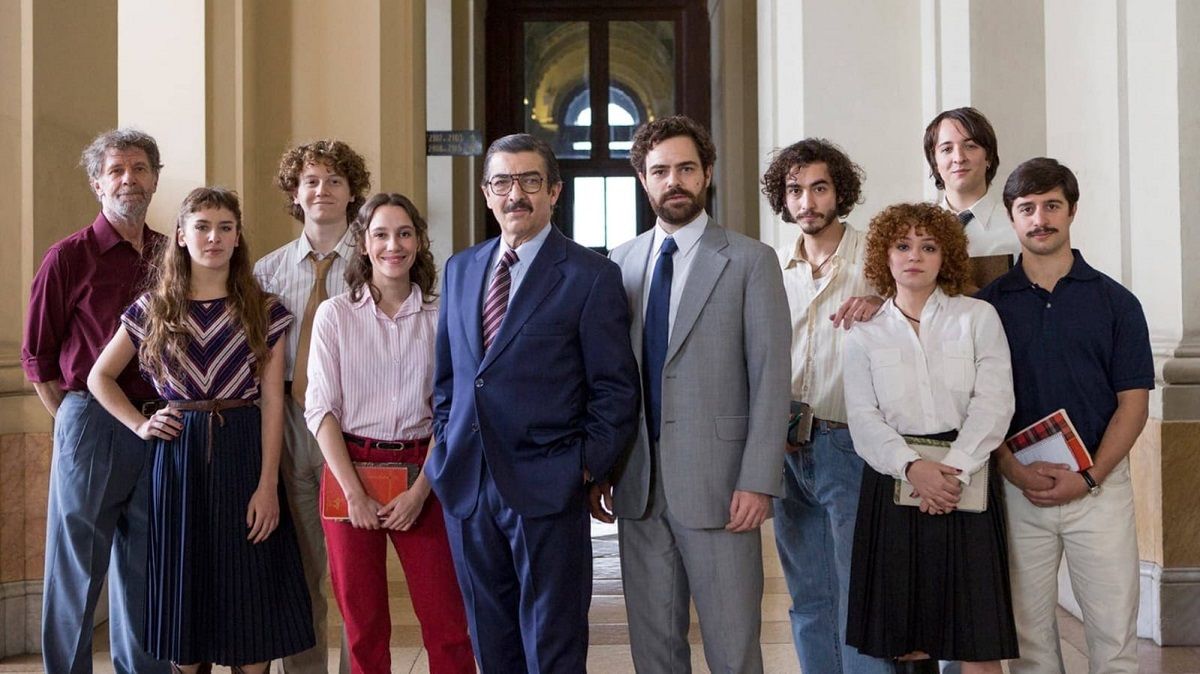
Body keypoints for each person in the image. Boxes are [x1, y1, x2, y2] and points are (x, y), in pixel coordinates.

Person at [429, 133, 639, 672]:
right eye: (502, 182)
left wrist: (583, 467)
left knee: (553, 645)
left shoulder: (591, 276)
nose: (515, 194)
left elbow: (615, 389)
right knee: (490, 643)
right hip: (469, 485)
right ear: (486, 192)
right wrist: (446, 442)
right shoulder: (461, 269)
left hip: (548, 486)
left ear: (554, 191)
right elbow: (449, 379)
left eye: (529, 181)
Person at [88, 187, 315, 672]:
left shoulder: (264, 309)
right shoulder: (153, 308)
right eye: (203, 227)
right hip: (178, 457)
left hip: (245, 451)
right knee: (183, 591)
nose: (214, 237)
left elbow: (273, 402)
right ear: (181, 236)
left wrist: (267, 486)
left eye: (225, 228)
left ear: (237, 237)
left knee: (250, 588)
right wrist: (141, 424)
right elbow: (99, 377)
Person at [598, 115, 790, 673]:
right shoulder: (620, 262)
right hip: (639, 484)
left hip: (723, 486)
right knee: (654, 650)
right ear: (644, 180)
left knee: (733, 650)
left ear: (706, 174)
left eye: (686, 169)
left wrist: (758, 479)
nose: (673, 181)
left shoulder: (750, 260)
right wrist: (603, 467)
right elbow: (610, 379)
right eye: (660, 171)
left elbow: (771, 377)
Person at [976, 158, 1152, 674]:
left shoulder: (1117, 303)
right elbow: (979, 403)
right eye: (1027, 208)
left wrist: (1091, 477)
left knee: (1114, 638)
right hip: (1018, 487)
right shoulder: (987, 307)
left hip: (1100, 488)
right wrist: (1011, 468)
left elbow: (1134, 403)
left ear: (1072, 210)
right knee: (1027, 641)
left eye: (1051, 205)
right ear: (1011, 217)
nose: (1040, 219)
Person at [20, 127, 172, 674]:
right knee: (76, 567)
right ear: (97, 183)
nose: (129, 179)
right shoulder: (67, 258)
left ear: (155, 179)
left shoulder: (171, 255)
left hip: (160, 424)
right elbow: (37, 357)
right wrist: (75, 422)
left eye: (139, 168)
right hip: (91, 420)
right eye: (116, 170)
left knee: (147, 565)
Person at [842, 202, 1018, 673]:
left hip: (966, 477)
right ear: (884, 255)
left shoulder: (978, 317)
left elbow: (995, 401)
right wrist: (913, 469)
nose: (914, 256)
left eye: (928, 246)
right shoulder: (864, 334)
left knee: (978, 639)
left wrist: (951, 472)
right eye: (902, 245)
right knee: (908, 642)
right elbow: (863, 418)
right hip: (895, 480)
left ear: (946, 255)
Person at [304, 193, 474, 673]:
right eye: (380, 235)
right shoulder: (335, 315)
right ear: (363, 243)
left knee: (447, 622)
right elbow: (320, 409)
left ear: (419, 242)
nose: (393, 246)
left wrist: (421, 492)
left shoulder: (443, 316)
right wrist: (353, 493)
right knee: (363, 627)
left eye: (404, 234)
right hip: (350, 468)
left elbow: (452, 410)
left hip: (425, 471)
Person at [758, 138, 893, 674]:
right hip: (787, 443)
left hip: (851, 442)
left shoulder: (877, 258)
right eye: (795, 190)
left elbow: (926, 315)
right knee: (808, 593)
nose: (807, 201)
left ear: (840, 192)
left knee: (860, 590)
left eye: (819, 188)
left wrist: (883, 303)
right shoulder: (771, 266)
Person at [255, 139, 370, 674]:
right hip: (289, 426)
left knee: (353, 572)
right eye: (311, 181)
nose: (322, 190)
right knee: (301, 570)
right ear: (295, 193)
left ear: (351, 193)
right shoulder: (268, 272)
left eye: (334, 181)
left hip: (354, 425)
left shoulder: (375, 260)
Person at [923, 107, 1020, 290]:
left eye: (970, 146)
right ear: (935, 163)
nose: (959, 158)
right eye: (947, 149)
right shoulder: (918, 230)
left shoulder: (1018, 226)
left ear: (988, 157)